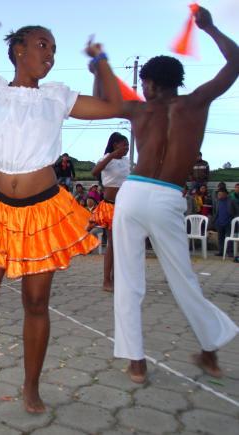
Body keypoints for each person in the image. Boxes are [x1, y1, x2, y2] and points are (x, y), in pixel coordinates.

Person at [0, 14, 122, 414]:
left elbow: (112, 106)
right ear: (19, 49)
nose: (49, 55)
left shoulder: (57, 96)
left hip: (42, 209)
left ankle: (31, 388)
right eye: (43, 45)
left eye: (53, 49)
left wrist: (100, 63)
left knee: (35, 303)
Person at [103, 6, 238, 383]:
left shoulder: (139, 112)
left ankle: (136, 363)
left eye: (143, 82)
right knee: (183, 279)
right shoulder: (195, 103)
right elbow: (236, 61)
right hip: (166, 196)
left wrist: (98, 65)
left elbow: (101, 101)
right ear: (176, 80)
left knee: (129, 279)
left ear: (148, 82)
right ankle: (210, 352)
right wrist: (209, 27)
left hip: (133, 193)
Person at [90, 132, 130, 292]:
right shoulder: (107, 159)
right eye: (124, 145)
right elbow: (95, 172)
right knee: (113, 243)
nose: (127, 148)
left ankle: (116, 278)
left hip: (125, 204)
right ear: (115, 145)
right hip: (110, 205)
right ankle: (107, 280)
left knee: (121, 243)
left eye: (128, 146)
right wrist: (112, 155)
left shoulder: (127, 161)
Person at [214, 188, 239, 256]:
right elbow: (216, 212)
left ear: (225, 194)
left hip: (229, 223)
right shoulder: (218, 201)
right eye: (218, 194)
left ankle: (230, 252)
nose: (218, 195)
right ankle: (221, 251)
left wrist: (234, 221)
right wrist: (215, 221)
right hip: (219, 222)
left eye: (220, 194)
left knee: (229, 238)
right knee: (220, 238)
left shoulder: (232, 201)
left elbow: (237, 211)